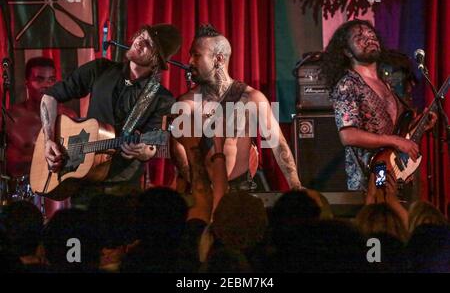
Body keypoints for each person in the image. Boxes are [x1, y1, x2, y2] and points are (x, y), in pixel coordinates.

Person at [40, 24, 181, 207]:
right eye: (141, 35)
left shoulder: (162, 98)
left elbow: (151, 144)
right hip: (83, 182)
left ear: (157, 60)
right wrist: (48, 140)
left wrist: (145, 151)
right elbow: (50, 96)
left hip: (123, 189)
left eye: (148, 43)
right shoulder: (101, 68)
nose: (139, 42)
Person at [171, 24, 303, 211]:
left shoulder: (252, 98)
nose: (189, 61)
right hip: (203, 193)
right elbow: (178, 147)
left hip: (241, 193)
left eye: (196, 55)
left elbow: (277, 143)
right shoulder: (186, 102)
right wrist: (197, 183)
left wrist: (295, 185)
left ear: (218, 59)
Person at [321, 19, 436, 193]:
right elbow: (348, 135)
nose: (369, 39)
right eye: (360, 37)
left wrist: (418, 127)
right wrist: (395, 141)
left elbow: (395, 131)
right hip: (369, 180)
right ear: (346, 51)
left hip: (398, 175)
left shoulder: (386, 84)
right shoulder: (347, 84)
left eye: (371, 34)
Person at [6, 57, 77, 216]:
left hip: (58, 194)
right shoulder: (10, 118)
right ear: (27, 83)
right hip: (21, 199)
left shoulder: (68, 116)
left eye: (51, 79)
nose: (47, 85)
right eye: (39, 79)